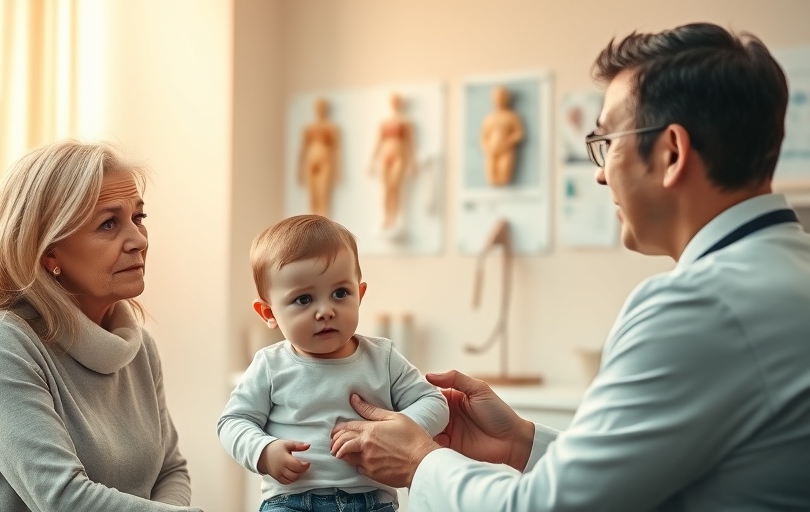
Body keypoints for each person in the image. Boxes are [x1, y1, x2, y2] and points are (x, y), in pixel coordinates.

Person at [329, 22, 810, 510]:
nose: (599, 175)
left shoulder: (698, 305)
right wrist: (520, 444)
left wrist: (420, 462)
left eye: (607, 142)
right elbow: (658, 480)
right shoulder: (787, 272)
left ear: (670, 152)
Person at [0, 140, 200, 512]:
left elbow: (170, 471)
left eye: (138, 218)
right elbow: (63, 500)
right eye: (109, 224)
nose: (138, 240)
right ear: (49, 251)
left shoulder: (139, 348)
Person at [218, 214, 447, 511]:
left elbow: (434, 402)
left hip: (372, 501)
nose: (325, 311)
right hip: (291, 501)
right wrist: (263, 450)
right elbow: (233, 422)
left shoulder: (383, 358)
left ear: (360, 295)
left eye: (340, 293)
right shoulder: (269, 365)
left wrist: (395, 433)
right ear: (268, 313)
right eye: (303, 299)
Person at [369, 93, 417, 231]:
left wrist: (412, 161)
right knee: (386, 189)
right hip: (385, 156)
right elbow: (378, 142)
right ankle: (386, 217)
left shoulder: (405, 122)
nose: (395, 103)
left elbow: (410, 143)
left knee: (395, 187)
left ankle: (394, 218)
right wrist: (372, 162)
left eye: (397, 101)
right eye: (393, 101)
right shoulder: (384, 122)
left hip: (399, 157)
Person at [297, 97, 340, 218]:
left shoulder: (331, 128)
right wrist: (299, 172)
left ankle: (323, 222)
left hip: (325, 161)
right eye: (318, 107)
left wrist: (337, 172)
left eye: (323, 107)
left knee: (323, 192)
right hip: (311, 160)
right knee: (312, 193)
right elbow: (303, 149)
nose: (320, 109)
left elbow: (336, 150)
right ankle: (312, 221)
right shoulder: (309, 128)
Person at [480, 85, 524, 186]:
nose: (499, 99)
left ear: (506, 98)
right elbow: (483, 136)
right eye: (496, 97)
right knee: (492, 177)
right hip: (492, 151)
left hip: (506, 151)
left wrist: (508, 142)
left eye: (502, 96)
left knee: (504, 175)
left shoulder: (511, 116)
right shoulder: (489, 118)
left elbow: (519, 133)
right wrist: (487, 147)